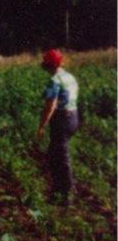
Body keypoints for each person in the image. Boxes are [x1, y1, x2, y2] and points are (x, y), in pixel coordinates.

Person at [36, 49, 79, 205]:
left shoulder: (54, 80)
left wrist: (42, 125)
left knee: (60, 156)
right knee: (55, 154)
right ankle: (58, 191)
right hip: (73, 117)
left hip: (62, 119)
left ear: (49, 64)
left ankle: (67, 193)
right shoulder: (70, 77)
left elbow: (50, 105)